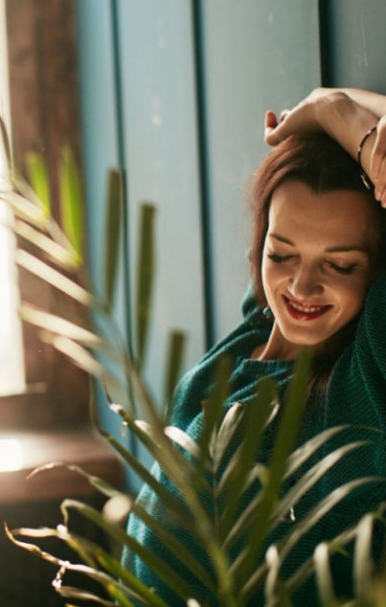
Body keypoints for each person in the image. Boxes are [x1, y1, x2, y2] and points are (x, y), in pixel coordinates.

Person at [121, 88, 386, 605]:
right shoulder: (256, 330)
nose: (301, 288)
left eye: (339, 265)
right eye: (281, 254)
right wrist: (321, 107)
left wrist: (335, 112)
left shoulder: (362, 378)